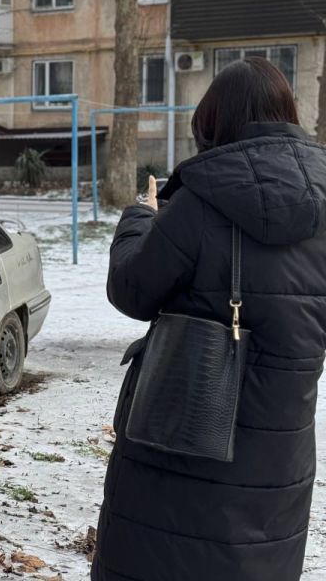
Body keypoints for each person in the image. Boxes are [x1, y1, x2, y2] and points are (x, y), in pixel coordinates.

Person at [92, 57, 326, 581]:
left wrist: (140, 218)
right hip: (279, 454)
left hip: (184, 442)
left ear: (215, 122)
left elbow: (131, 290)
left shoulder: (200, 201)